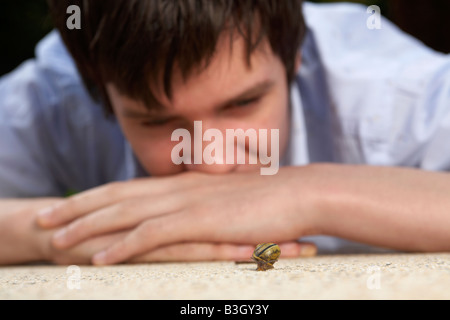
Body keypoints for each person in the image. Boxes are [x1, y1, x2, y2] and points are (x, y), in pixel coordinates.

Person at [0, 0, 449, 266]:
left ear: (295, 56)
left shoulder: (394, 90)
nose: (213, 161)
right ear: (97, 89)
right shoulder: (60, 91)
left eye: (243, 103)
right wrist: (51, 235)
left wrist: (309, 194)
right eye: (157, 121)